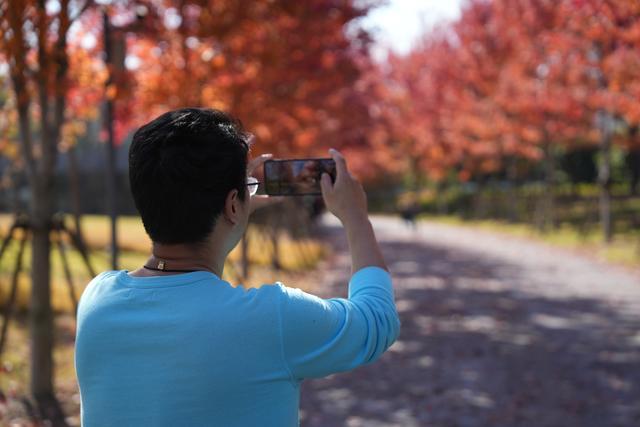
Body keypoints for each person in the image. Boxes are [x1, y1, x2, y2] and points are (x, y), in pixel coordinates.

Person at [74, 108, 400, 426]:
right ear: (232, 204)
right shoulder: (273, 319)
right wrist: (355, 216)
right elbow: (376, 321)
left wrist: (235, 205)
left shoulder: (97, 299)